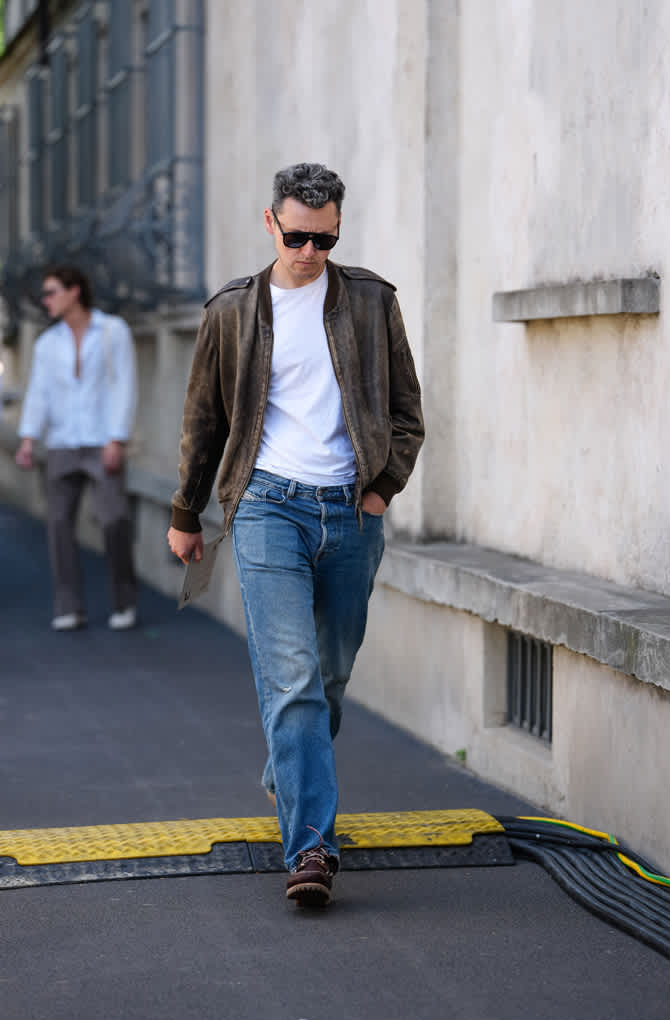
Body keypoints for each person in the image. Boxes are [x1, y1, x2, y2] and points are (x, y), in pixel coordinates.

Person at [167, 163, 424, 906]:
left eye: (326, 237)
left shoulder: (372, 302)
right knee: (295, 679)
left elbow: (408, 412)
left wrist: (381, 491)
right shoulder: (231, 312)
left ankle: (292, 769)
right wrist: (187, 515)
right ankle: (311, 848)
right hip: (267, 506)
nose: (311, 251)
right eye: (299, 235)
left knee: (329, 677)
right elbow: (203, 422)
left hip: (351, 510)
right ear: (271, 223)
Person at [16, 264, 138, 631]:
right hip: (62, 443)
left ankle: (124, 601)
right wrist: (27, 439)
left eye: (52, 292)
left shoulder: (113, 331)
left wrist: (117, 438)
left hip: (102, 441)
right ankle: (69, 606)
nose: (46, 300)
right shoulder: (46, 343)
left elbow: (125, 385)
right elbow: (39, 392)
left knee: (114, 518)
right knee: (57, 525)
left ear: (74, 292)